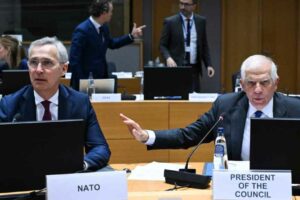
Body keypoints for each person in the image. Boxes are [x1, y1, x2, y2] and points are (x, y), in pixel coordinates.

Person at [120, 54, 300, 161]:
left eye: (264, 83)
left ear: (276, 83)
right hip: (238, 187)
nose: (258, 90)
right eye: (251, 83)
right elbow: (189, 135)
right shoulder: (226, 105)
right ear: (242, 85)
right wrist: (147, 136)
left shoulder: (295, 110)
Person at [0, 36, 110, 171]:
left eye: (47, 63)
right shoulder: (9, 104)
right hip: (24, 177)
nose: (38, 70)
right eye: (33, 62)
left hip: (67, 179)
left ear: (63, 69)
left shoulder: (80, 103)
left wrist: (80, 165)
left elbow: (100, 147)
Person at [69, 0, 146, 90]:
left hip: (101, 79)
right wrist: (83, 83)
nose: (111, 14)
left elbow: (112, 44)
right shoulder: (82, 30)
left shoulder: (104, 28)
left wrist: (131, 36)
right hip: (85, 81)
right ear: (103, 13)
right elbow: (74, 60)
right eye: (111, 11)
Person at [159, 0, 215, 92]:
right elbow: (162, 45)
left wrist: (209, 64)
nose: (182, 7)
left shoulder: (201, 21)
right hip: (176, 67)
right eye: (181, 3)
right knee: (177, 98)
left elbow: (204, 45)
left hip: (194, 68)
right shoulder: (170, 22)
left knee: (194, 99)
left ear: (194, 6)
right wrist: (168, 58)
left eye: (186, 4)